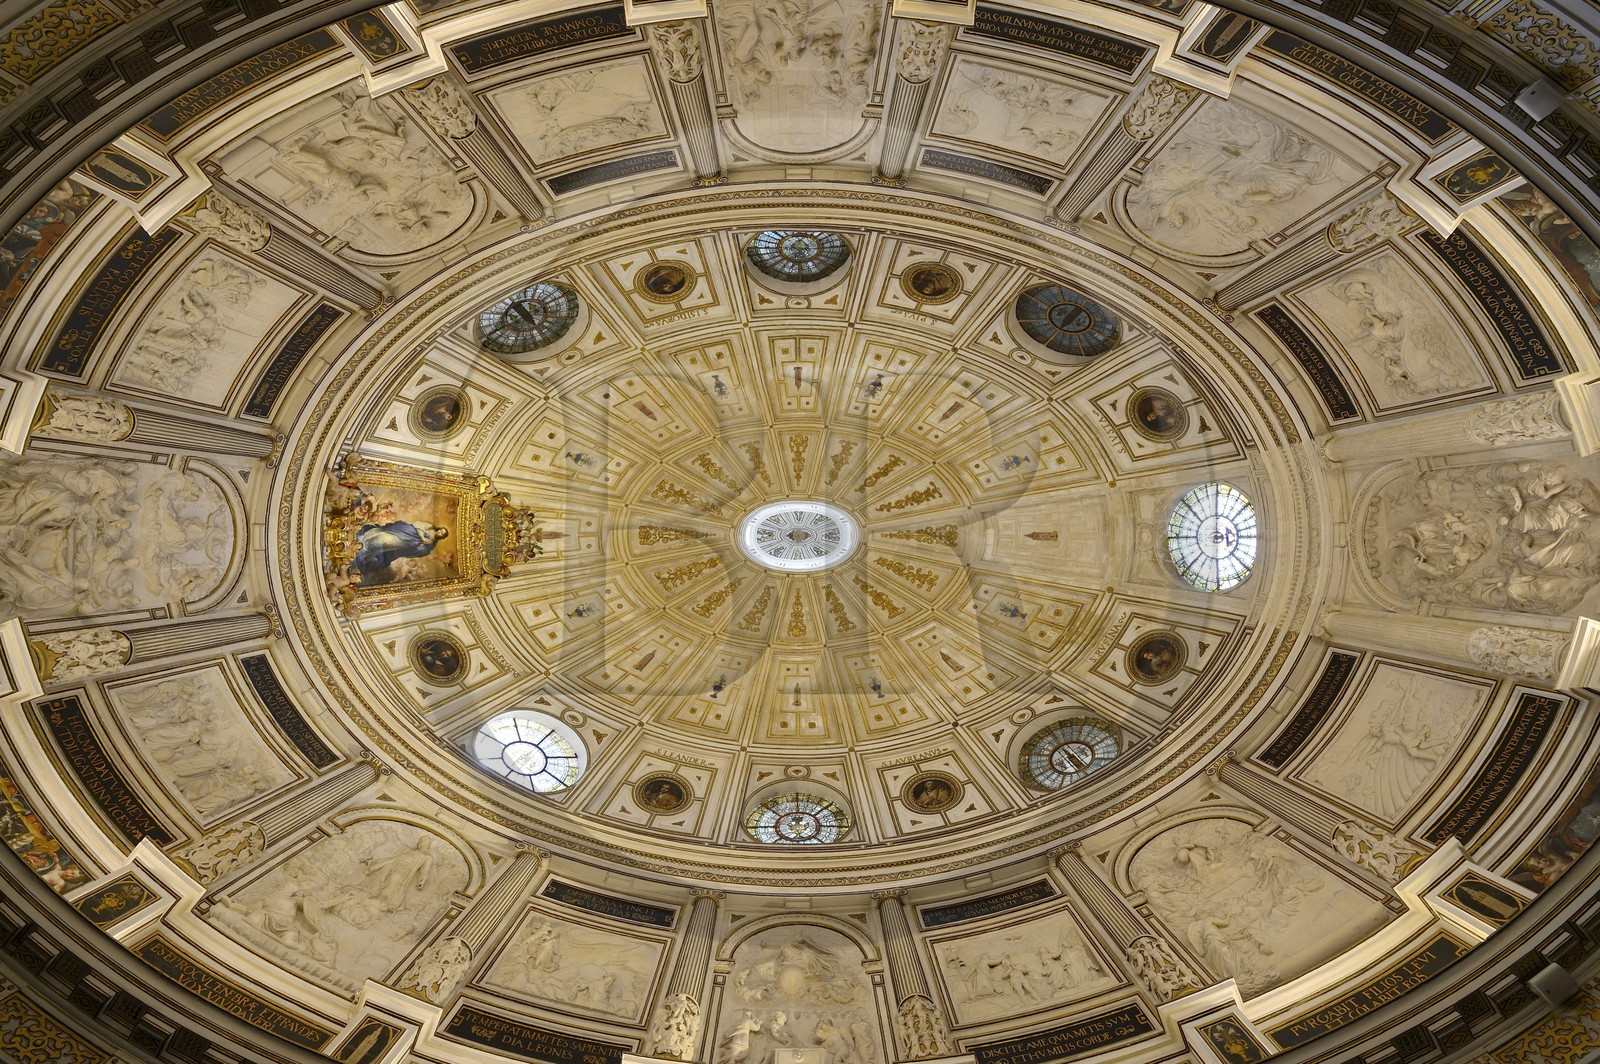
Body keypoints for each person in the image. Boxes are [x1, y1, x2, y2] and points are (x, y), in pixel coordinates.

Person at [352, 520, 448, 582]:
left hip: (408, 545)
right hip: (409, 533)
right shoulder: (430, 526)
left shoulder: (431, 545)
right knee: (385, 538)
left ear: (442, 537)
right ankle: (362, 542)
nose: (440, 532)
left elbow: (421, 552)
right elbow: (417, 524)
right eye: (441, 530)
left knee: (386, 547)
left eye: (442, 534)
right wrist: (422, 536)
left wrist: (422, 546)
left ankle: (363, 553)